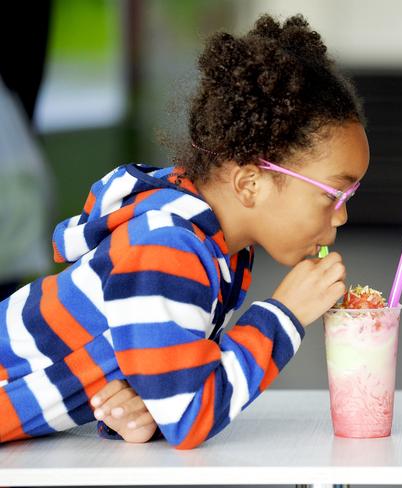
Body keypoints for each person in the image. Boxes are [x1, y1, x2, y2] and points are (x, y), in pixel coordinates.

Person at [0, 14, 369, 450]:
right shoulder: (167, 247)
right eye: (334, 195)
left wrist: (146, 409)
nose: (342, 217)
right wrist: (284, 314)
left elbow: (171, 378)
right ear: (251, 184)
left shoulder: (222, 250)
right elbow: (192, 415)